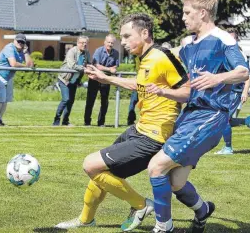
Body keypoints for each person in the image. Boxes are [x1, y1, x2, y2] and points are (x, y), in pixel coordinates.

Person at [55, 13, 189, 231]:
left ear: (145, 33)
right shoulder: (142, 58)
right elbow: (140, 84)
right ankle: (86, 219)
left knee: (90, 165)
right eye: (121, 37)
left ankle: (141, 205)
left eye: (127, 36)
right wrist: (105, 78)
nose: (123, 42)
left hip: (154, 137)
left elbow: (188, 90)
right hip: (140, 128)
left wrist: (164, 92)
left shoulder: (162, 56)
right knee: (101, 173)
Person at [146, 0, 249, 232]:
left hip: (211, 117)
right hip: (189, 116)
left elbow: (243, 72)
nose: (183, 17)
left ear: (202, 13)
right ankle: (203, 210)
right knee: (176, 182)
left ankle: (164, 226)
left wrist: (217, 78)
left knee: (156, 167)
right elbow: (171, 63)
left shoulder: (223, 39)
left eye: (187, 12)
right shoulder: (189, 45)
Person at [215, 28, 250, 155]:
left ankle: (228, 147)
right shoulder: (225, 51)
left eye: (232, 38)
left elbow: (247, 75)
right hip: (226, 90)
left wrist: (245, 91)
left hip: (235, 91)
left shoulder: (238, 54)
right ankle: (247, 121)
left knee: (223, 119)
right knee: (222, 118)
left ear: (236, 39)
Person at [0, 33, 34, 126]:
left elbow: (31, 65)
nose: (20, 43)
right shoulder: (9, 48)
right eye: (18, 41)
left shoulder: (23, 51)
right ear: (14, 41)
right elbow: (13, 64)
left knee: (6, 100)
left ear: (25, 44)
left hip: (8, 77)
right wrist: (25, 66)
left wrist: (26, 52)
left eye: (22, 42)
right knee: (0, 100)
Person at [53, 36, 90, 126]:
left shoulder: (86, 53)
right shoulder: (72, 51)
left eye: (85, 43)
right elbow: (71, 65)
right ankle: (56, 121)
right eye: (82, 43)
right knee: (66, 99)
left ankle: (65, 121)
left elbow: (88, 63)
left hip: (74, 81)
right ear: (77, 43)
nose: (84, 45)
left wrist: (90, 67)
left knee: (71, 101)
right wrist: (84, 69)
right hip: (64, 79)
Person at [84, 34, 119, 127]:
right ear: (104, 42)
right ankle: (87, 122)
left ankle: (101, 122)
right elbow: (97, 65)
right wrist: (109, 69)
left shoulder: (116, 53)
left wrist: (114, 69)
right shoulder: (98, 51)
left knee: (105, 102)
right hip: (95, 78)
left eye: (112, 43)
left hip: (106, 79)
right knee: (90, 101)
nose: (110, 44)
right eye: (108, 42)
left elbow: (115, 65)